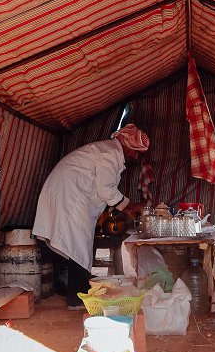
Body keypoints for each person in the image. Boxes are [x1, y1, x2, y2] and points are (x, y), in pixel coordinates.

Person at [32, 124, 149, 306]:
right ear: (126, 145)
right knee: (78, 250)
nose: (134, 156)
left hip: (69, 195)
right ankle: (77, 301)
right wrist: (130, 206)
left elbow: (102, 188)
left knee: (76, 248)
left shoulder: (109, 151)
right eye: (135, 151)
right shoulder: (109, 153)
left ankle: (76, 294)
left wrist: (126, 208)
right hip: (70, 197)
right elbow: (105, 189)